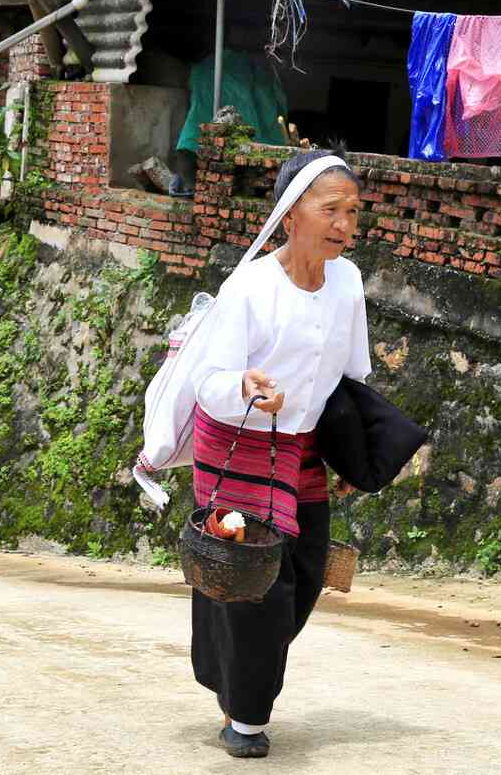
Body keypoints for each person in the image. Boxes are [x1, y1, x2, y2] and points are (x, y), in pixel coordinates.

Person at [188, 149, 372, 759]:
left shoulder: (347, 282)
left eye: (353, 211)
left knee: (306, 574)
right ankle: (246, 716)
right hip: (238, 441)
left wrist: (350, 454)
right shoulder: (250, 286)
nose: (345, 223)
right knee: (257, 585)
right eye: (332, 209)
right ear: (291, 215)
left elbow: (352, 375)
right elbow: (210, 376)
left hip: (304, 447)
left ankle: (232, 671)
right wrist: (244, 384)